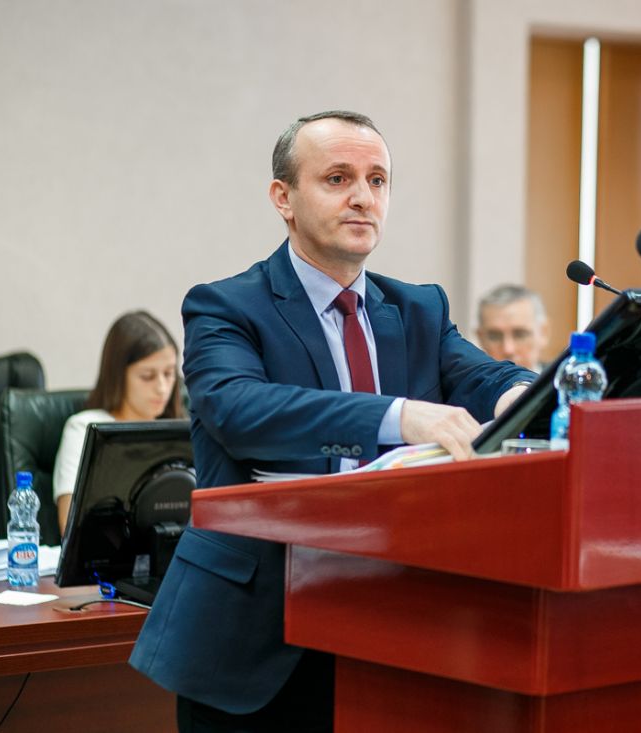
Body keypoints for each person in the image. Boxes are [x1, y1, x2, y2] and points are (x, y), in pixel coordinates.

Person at [129, 110, 536, 733]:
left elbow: (483, 376)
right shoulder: (226, 305)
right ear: (283, 198)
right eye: (338, 178)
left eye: (378, 180)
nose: (363, 197)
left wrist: (523, 395)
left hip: (394, 623)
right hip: (257, 635)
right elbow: (239, 409)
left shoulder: (418, 307)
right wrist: (399, 417)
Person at [53, 310, 184, 536]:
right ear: (118, 375)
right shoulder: (84, 427)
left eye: (169, 373)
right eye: (148, 376)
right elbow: (70, 526)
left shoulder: (181, 430)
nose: (162, 388)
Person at [476, 283, 551, 372]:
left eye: (520, 335)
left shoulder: (561, 379)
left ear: (543, 333)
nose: (508, 349)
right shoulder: (468, 380)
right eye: (495, 337)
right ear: (480, 338)